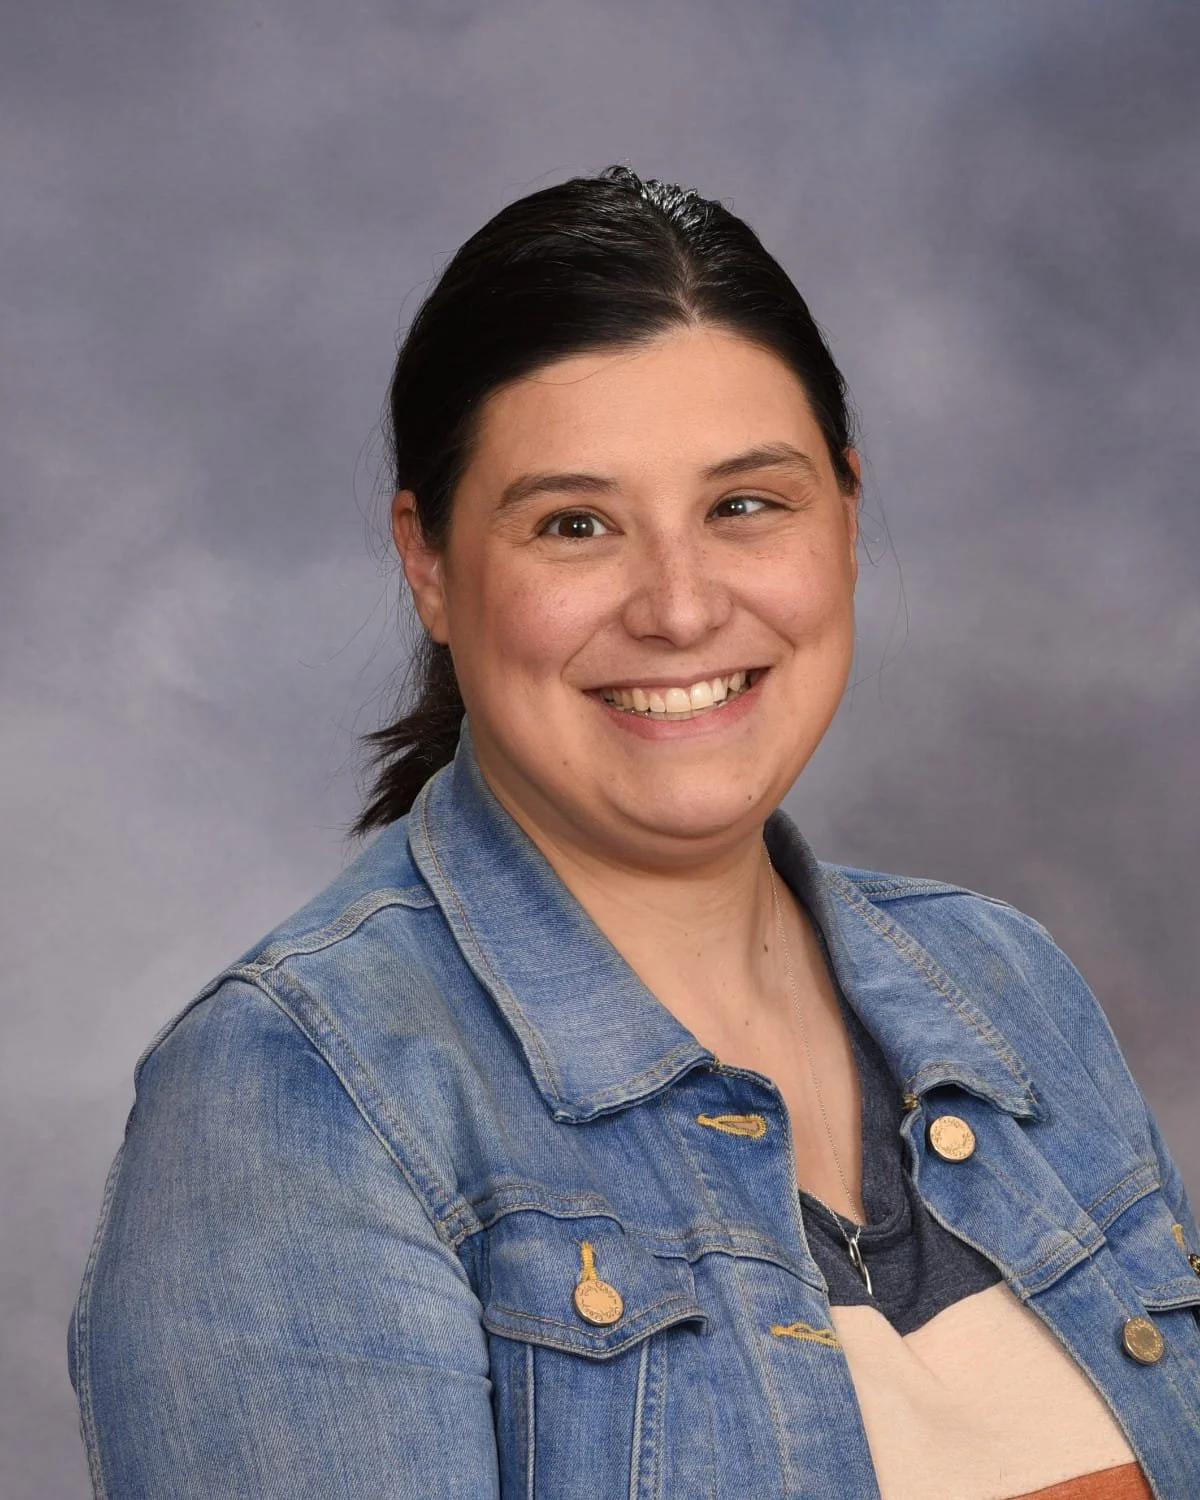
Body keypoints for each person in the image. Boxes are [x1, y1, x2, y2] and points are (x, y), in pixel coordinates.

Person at [68, 166, 1200, 1500]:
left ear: (843, 512)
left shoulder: (1008, 986)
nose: (677, 607)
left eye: (743, 505)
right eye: (576, 524)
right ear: (428, 563)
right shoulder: (300, 1097)